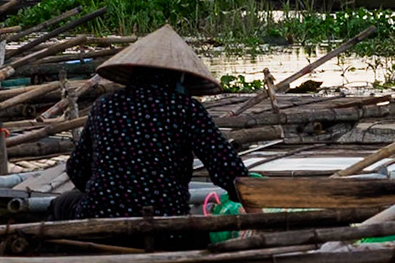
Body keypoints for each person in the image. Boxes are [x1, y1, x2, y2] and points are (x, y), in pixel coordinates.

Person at [52, 25, 248, 226]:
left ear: (134, 72)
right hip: (167, 221)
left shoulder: (105, 105)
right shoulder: (186, 109)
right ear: (178, 77)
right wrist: (249, 203)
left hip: (100, 216)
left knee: (60, 204)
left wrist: (110, 191)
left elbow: (76, 168)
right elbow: (228, 170)